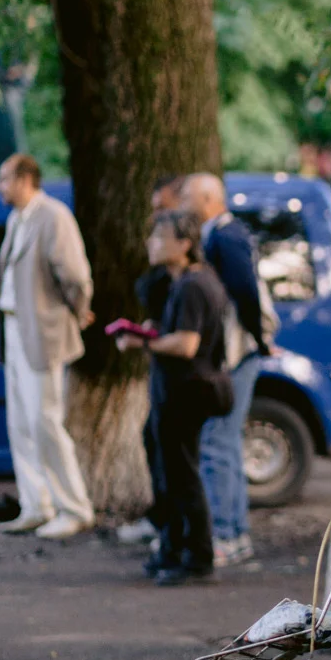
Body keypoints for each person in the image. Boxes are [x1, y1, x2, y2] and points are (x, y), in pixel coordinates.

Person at [115, 210, 230, 585]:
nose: (151, 243)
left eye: (160, 238)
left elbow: (186, 343)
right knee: (172, 472)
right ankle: (174, 547)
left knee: (182, 475)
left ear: (184, 245)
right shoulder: (184, 283)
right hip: (178, 391)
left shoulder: (194, 285)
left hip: (187, 391)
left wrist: (141, 341)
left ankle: (196, 556)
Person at [0, 153, 95, 538]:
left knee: (44, 419)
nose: (0, 186)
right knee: (20, 421)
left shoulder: (52, 215)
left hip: (43, 329)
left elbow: (75, 275)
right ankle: (35, 503)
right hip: (14, 328)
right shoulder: (16, 218)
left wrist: (78, 312)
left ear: (25, 178)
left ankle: (74, 506)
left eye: (5, 178)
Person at [180, 173, 270, 568]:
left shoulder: (226, 235)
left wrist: (258, 336)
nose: (182, 202)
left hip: (236, 353)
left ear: (206, 198)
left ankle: (228, 535)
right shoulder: (223, 233)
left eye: (187, 195)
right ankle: (235, 534)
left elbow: (246, 292)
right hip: (240, 351)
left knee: (219, 441)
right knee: (225, 442)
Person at [117, 175, 186, 550]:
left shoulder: (192, 282)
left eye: (163, 208)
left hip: (184, 379)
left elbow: (189, 342)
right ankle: (169, 529)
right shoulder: (174, 280)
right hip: (168, 371)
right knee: (159, 443)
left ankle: (181, 538)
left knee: (178, 458)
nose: (153, 225)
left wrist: (152, 340)